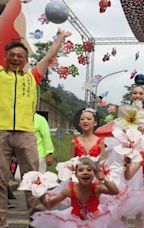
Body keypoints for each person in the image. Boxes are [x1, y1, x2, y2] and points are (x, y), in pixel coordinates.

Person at [0, 28, 71, 226]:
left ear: (25, 60)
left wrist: (60, 37)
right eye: (12, 55)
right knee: (0, 178)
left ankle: (35, 218)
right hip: (1, 131)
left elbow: (48, 57)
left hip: (25, 133)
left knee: (32, 178)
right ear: (5, 57)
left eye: (20, 56)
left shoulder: (32, 77)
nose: (15, 58)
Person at [31, 157, 124, 228]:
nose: (85, 172)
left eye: (89, 170)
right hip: (74, 220)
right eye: (80, 170)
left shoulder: (97, 188)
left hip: (96, 219)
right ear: (75, 174)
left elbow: (115, 191)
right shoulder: (70, 189)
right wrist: (41, 194)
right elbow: (49, 205)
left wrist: (104, 179)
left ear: (95, 173)